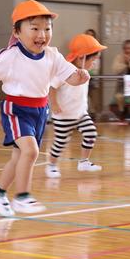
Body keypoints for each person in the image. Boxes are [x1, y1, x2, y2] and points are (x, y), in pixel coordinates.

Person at [0, 0, 90, 216]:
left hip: (40, 112)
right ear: (17, 31)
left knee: (19, 157)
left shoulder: (53, 55)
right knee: (30, 151)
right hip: (17, 109)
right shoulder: (10, 56)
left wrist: (80, 78)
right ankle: (23, 196)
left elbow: (69, 76)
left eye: (47, 28)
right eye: (34, 28)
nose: (42, 34)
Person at [45, 34, 107, 178]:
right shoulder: (64, 70)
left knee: (91, 133)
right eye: (93, 60)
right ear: (81, 58)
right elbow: (52, 87)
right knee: (60, 143)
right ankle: (52, 165)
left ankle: (84, 161)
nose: (95, 64)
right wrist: (54, 104)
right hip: (63, 115)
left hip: (80, 114)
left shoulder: (85, 73)